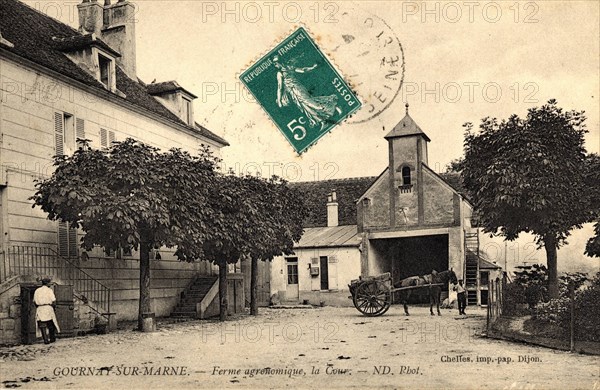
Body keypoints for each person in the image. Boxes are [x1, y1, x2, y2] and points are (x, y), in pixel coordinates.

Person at [33, 277, 60, 344]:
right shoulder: (49, 290)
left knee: (42, 324)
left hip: (40, 308)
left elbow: (34, 301)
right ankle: (52, 338)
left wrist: (38, 307)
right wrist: (53, 307)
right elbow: (54, 301)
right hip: (48, 307)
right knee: (51, 323)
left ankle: (45, 339)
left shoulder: (37, 290)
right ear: (47, 283)